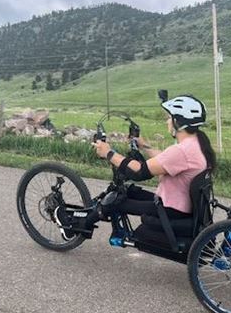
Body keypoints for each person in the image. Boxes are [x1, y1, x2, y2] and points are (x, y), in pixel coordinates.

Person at [87, 94, 217, 227]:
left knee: (114, 200)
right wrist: (144, 146)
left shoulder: (181, 151)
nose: (167, 121)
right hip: (178, 205)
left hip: (171, 210)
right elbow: (165, 159)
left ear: (178, 122)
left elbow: (139, 171)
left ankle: (84, 224)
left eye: (169, 118)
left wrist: (109, 153)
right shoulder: (196, 143)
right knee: (129, 190)